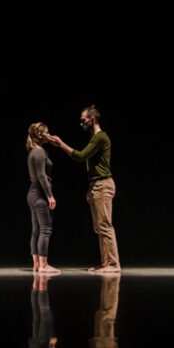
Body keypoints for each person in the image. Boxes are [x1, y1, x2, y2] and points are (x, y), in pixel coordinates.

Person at [46, 105, 120, 274]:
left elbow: (80, 156)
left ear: (92, 119)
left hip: (103, 185)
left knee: (105, 226)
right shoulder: (95, 138)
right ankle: (105, 263)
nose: (81, 124)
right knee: (99, 227)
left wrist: (61, 144)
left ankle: (114, 264)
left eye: (83, 120)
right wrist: (91, 188)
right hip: (97, 185)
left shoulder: (100, 137)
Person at [26, 122, 60, 275]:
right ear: (40, 135)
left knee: (36, 230)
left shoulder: (33, 151)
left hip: (33, 194)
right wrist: (50, 196)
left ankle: (36, 265)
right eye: (47, 132)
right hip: (39, 193)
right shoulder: (39, 152)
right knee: (45, 230)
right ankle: (43, 265)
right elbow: (41, 175)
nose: (49, 135)